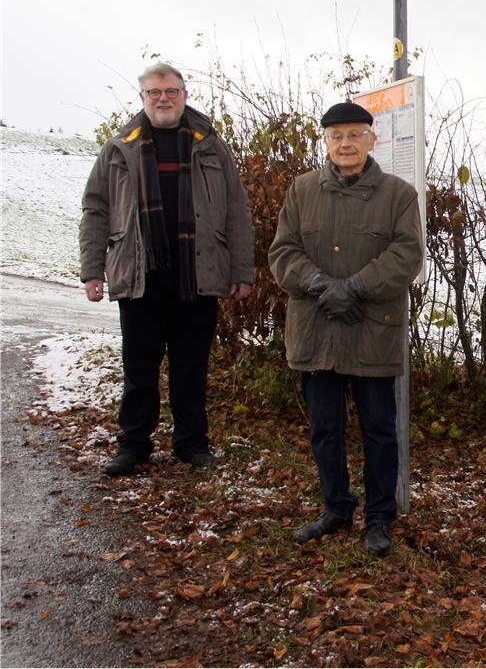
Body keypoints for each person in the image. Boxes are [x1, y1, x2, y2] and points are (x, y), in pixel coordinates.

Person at [80, 62, 254, 476]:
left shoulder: (211, 145)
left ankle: (191, 444)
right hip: (141, 276)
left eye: (171, 91)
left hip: (199, 274)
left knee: (190, 369)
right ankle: (134, 445)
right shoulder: (119, 147)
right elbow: (96, 210)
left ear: (184, 95)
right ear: (142, 98)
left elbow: (236, 210)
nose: (163, 98)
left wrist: (242, 270)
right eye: (155, 92)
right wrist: (93, 269)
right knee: (139, 369)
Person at [268, 101, 423, 558]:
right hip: (317, 328)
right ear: (326, 142)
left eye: (355, 135)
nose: (346, 144)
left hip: (372, 329)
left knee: (379, 428)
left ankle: (378, 518)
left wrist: (354, 287)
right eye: (337, 136)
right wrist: (319, 284)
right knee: (324, 428)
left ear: (372, 140)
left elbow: (406, 257)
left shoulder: (398, 195)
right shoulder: (300, 191)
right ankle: (336, 508)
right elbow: (283, 252)